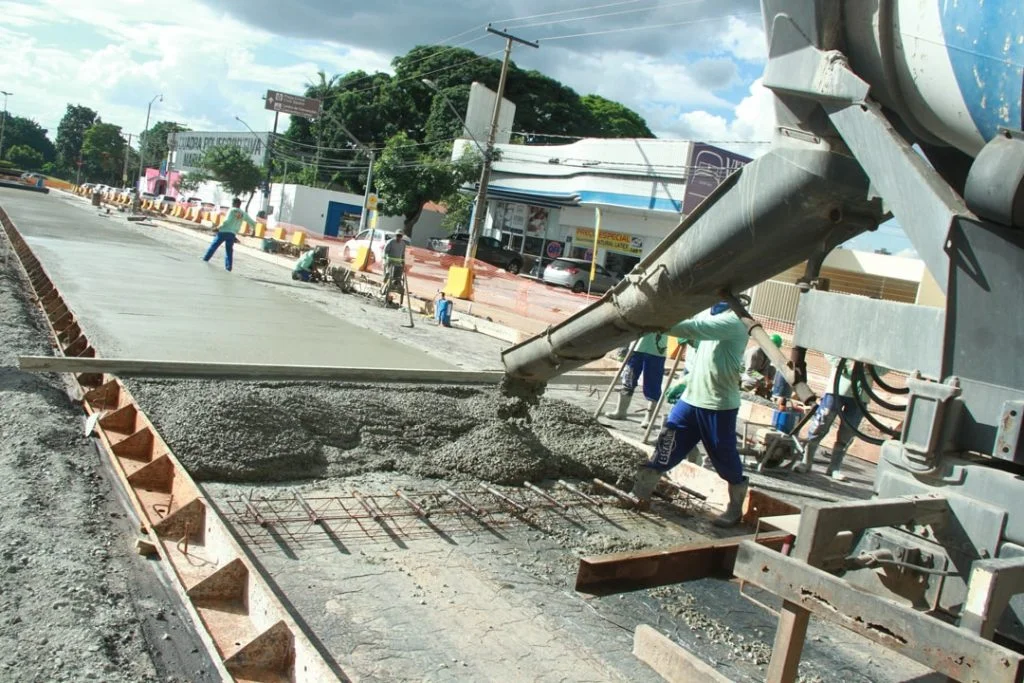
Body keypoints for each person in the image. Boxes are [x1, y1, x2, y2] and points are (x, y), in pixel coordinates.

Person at [630, 302, 750, 527]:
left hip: (719, 403)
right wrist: (686, 379)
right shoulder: (707, 312)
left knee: (723, 456)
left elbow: (694, 328)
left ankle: (734, 508)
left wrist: (656, 322)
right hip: (691, 398)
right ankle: (640, 492)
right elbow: (697, 353)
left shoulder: (735, 320)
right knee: (666, 444)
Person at [795, 356, 887, 481]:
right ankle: (806, 461)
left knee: (848, 431)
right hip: (837, 388)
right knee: (821, 423)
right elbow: (831, 352)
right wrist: (848, 365)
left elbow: (886, 364)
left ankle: (834, 467)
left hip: (860, 395)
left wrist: (869, 368)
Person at [605, 332, 668, 428]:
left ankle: (649, 419)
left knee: (653, 385)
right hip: (637, 347)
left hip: (656, 350)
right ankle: (620, 411)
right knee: (628, 379)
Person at [202, 198, 256, 272]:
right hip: (232, 234)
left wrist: (218, 227)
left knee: (214, 246)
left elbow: (226, 221)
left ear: (234, 203)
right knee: (229, 251)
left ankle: (205, 259)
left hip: (223, 231)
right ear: (240, 204)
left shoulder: (232, 210)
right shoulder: (243, 213)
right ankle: (228, 267)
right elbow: (252, 223)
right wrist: (253, 231)